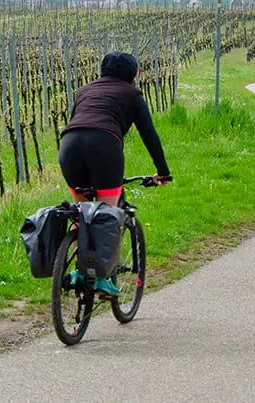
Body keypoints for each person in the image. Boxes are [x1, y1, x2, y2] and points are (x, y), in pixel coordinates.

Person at [58, 51, 171, 297]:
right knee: (108, 215)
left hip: (69, 146)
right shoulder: (133, 94)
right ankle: (102, 278)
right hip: (104, 147)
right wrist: (163, 172)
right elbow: (149, 135)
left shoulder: (83, 91)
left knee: (82, 213)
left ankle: (79, 272)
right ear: (135, 74)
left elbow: (78, 121)